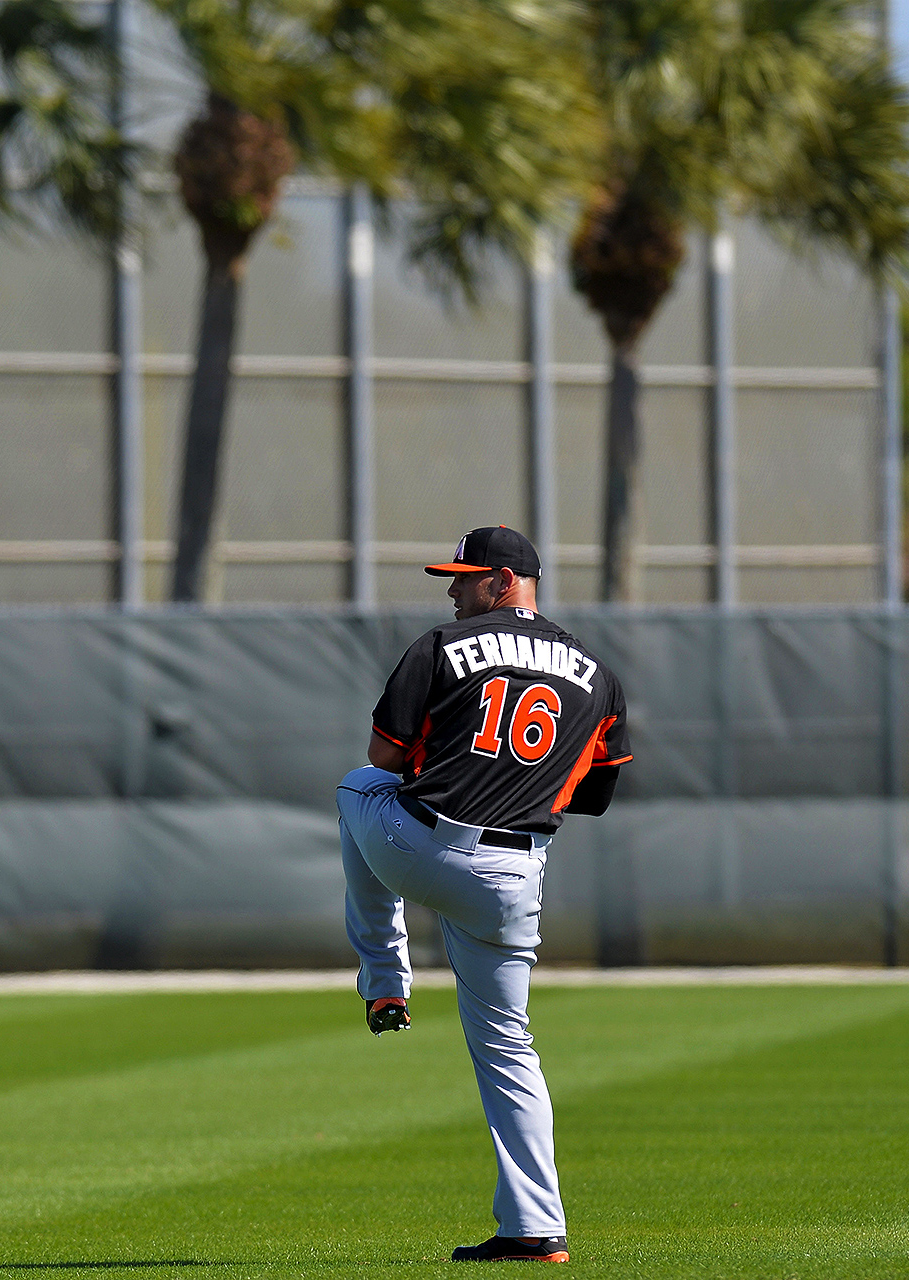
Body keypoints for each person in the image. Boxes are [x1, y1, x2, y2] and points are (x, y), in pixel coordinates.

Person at [336, 525, 630, 1265]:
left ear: (504, 581)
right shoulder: (598, 673)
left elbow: (384, 755)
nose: (452, 589)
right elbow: (593, 794)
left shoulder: (440, 646)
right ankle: (538, 1227)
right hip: (514, 877)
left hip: (422, 843)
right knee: (508, 1047)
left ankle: (384, 983)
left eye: (465, 577)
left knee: (356, 787)